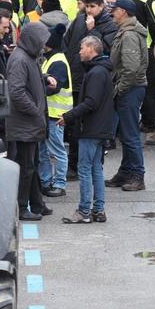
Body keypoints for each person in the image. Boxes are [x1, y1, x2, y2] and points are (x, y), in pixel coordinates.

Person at [58, 36, 114, 224]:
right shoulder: (100, 71)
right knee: (96, 169)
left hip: (91, 129)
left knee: (85, 169)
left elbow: (91, 102)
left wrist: (68, 116)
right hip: (99, 128)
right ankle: (98, 210)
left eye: (82, 48)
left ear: (91, 49)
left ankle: (84, 211)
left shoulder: (96, 73)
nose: (79, 51)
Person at [7, 21, 51, 221]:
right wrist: (34, 111)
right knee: (26, 167)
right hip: (24, 123)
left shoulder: (28, 57)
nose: (43, 46)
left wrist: (43, 77)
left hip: (30, 122)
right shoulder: (20, 59)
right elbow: (16, 91)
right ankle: (22, 207)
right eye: (41, 42)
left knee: (31, 165)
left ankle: (37, 203)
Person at [107, 0, 149, 192]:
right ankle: (126, 172)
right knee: (126, 133)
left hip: (131, 89)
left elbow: (131, 69)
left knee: (130, 134)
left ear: (123, 12)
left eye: (114, 10)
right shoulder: (126, 31)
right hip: (130, 87)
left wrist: (119, 89)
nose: (112, 13)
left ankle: (137, 176)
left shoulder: (130, 35)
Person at [39, 26, 71, 198]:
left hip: (55, 115)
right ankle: (46, 182)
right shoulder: (50, 58)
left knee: (57, 150)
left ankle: (59, 183)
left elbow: (54, 88)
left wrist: (37, 86)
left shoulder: (57, 61)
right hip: (48, 114)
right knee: (44, 149)